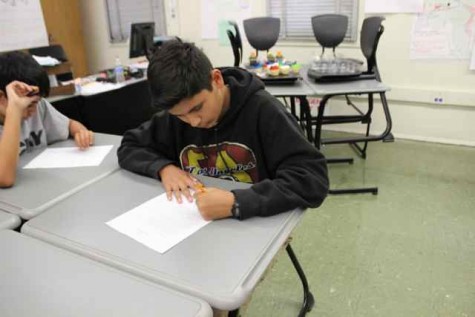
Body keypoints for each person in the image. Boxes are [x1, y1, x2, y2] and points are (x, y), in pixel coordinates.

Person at [118, 39, 329, 220]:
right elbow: (130, 145)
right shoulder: (175, 117)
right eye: (180, 116)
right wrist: (163, 168)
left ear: (216, 80)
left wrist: (237, 202)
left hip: (251, 224)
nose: (193, 122)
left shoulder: (263, 111)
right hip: (197, 225)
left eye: (197, 108)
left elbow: (312, 178)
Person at [0, 51, 94, 188]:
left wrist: (81, 132)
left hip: (41, 184)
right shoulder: (16, 110)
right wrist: (15, 109)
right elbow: (5, 178)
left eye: (36, 102)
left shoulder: (38, 106)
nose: (33, 111)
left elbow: (70, 125)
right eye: (28, 105)